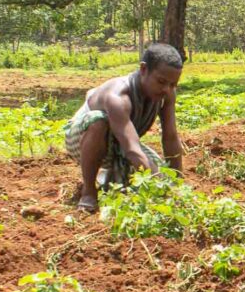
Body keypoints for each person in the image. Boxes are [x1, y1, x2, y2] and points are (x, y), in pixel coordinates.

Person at [64, 43, 184, 211]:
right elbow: (132, 150)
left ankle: (110, 177)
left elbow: (170, 137)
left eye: (173, 84)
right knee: (98, 121)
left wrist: (178, 185)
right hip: (81, 140)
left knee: (158, 172)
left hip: (121, 142)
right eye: (161, 81)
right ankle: (89, 191)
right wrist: (161, 186)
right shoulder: (118, 95)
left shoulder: (167, 95)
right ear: (143, 69)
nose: (167, 89)